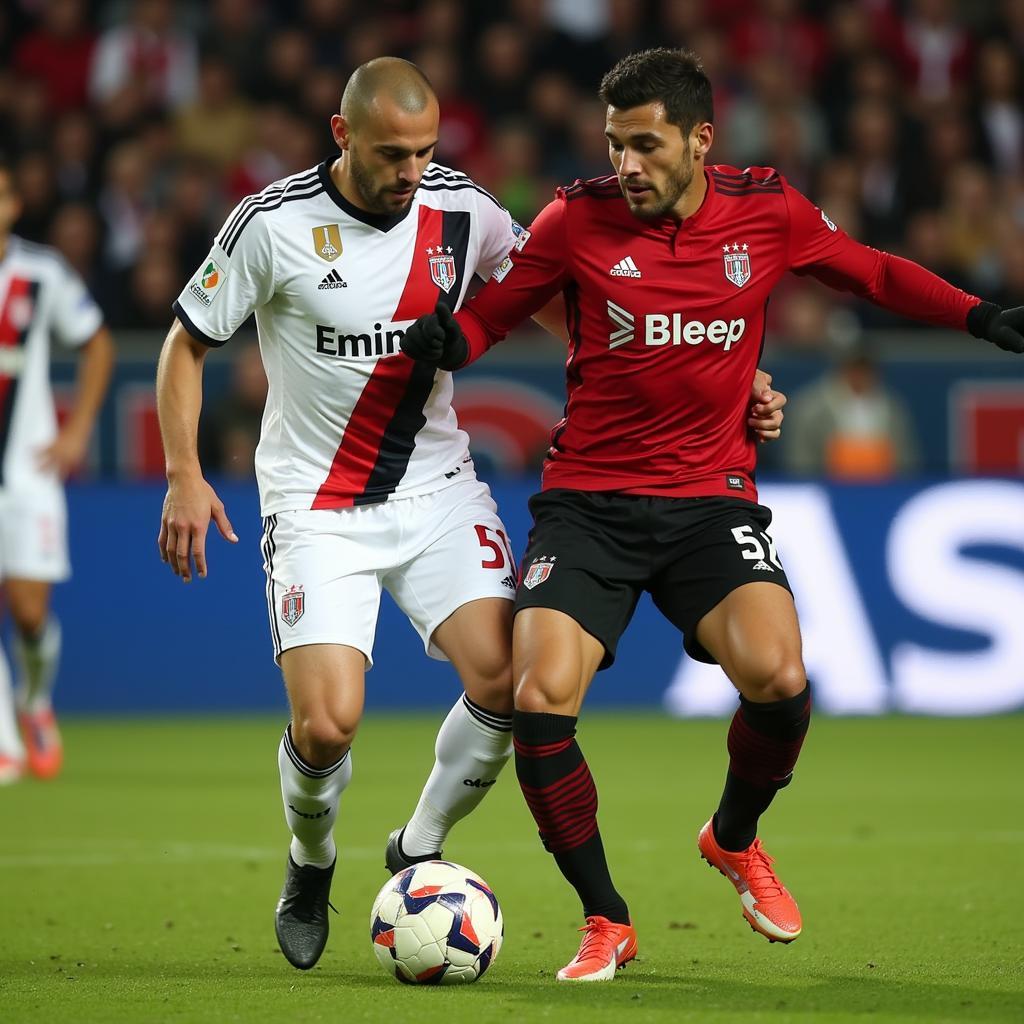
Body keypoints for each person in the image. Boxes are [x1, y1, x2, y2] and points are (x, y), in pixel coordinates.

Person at [399, 47, 1024, 982]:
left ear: (700, 139)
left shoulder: (766, 210)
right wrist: (457, 340)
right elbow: (499, 312)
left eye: (645, 145)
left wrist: (978, 317)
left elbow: (874, 274)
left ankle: (733, 838)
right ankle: (605, 917)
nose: (628, 166)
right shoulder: (577, 218)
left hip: (706, 501)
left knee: (780, 676)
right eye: (615, 145)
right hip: (588, 507)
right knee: (539, 696)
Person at [155, 56, 786, 972]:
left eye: (422, 151)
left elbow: (580, 301)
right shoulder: (274, 224)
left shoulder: (463, 208)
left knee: (506, 681)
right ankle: (311, 858)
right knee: (329, 724)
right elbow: (185, 344)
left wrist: (720, 384)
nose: (411, 171)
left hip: (438, 487)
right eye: (389, 155)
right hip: (316, 503)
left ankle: (417, 844)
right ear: (342, 138)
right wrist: (184, 472)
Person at [0, 159, 115, 784]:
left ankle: (36, 702)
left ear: (14, 204)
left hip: (27, 469)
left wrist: (76, 431)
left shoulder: (40, 274)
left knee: (27, 611)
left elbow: (96, 342)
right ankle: (5, 747)